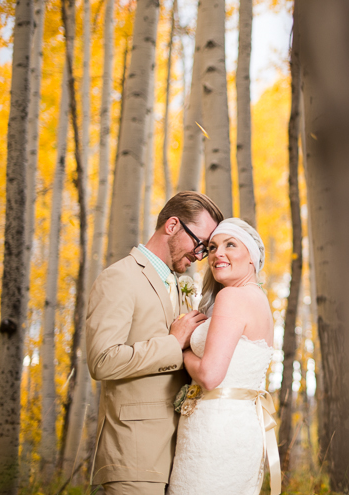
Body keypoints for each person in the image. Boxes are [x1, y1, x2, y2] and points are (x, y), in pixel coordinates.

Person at [85, 191, 223, 495]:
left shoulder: (180, 285)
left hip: (183, 453)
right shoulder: (119, 278)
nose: (201, 256)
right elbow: (102, 360)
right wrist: (173, 343)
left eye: (206, 248)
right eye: (199, 243)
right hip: (134, 452)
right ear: (172, 225)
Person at [167, 218, 280, 495]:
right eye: (213, 246)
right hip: (240, 428)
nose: (218, 253)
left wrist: (178, 345)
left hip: (214, 431)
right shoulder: (259, 301)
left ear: (252, 258)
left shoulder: (233, 297)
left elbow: (209, 375)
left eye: (231, 245)